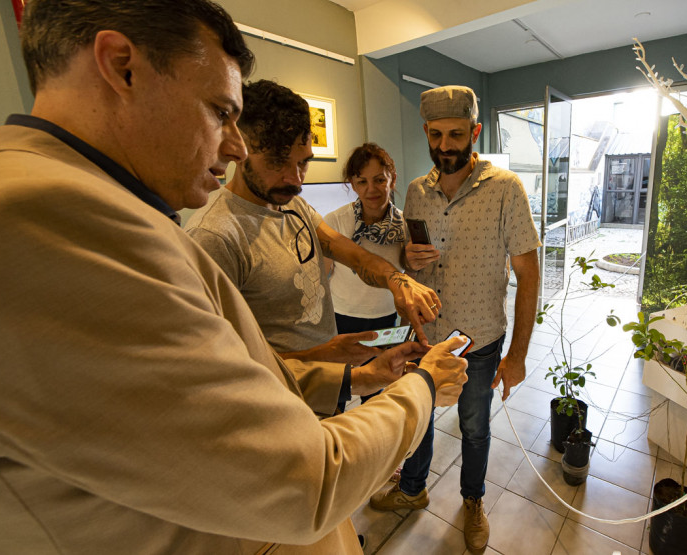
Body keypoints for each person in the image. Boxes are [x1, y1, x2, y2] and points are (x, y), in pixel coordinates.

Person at [0, 1, 469, 553]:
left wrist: (355, 371)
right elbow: (304, 482)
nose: (235, 147)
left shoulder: (123, 208)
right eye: (219, 112)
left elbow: (224, 377)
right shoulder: (45, 221)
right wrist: (421, 386)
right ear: (122, 66)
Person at [369, 85, 541, 551]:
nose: (445, 145)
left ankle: (472, 500)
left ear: (475, 132)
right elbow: (410, 264)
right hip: (425, 334)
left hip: (478, 339)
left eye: (456, 135)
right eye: (436, 135)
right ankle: (413, 488)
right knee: (419, 416)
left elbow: (529, 275)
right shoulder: (415, 191)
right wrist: (409, 258)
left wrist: (518, 355)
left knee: (474, 428)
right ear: (426, 131)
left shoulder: (506, 188)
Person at [186, 80, 440, 374]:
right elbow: (217, 363)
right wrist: (321, 355)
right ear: (237, 149)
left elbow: (355, 257)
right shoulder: (214, 236)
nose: (296, 180)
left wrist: (398, 282)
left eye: (303, 163)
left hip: (325, 385)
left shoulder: (292, 205)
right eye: (278, 162)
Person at [324, 143, 406, 410]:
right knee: (337, 390)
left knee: (377, 392)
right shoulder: (335, 222)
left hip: (384, 321)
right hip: (342, 319)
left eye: (379, 179)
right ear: (353, 184)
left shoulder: (405, 226)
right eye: (362, 181)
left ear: (392, 179)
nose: (372, 189)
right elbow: (322, 275)